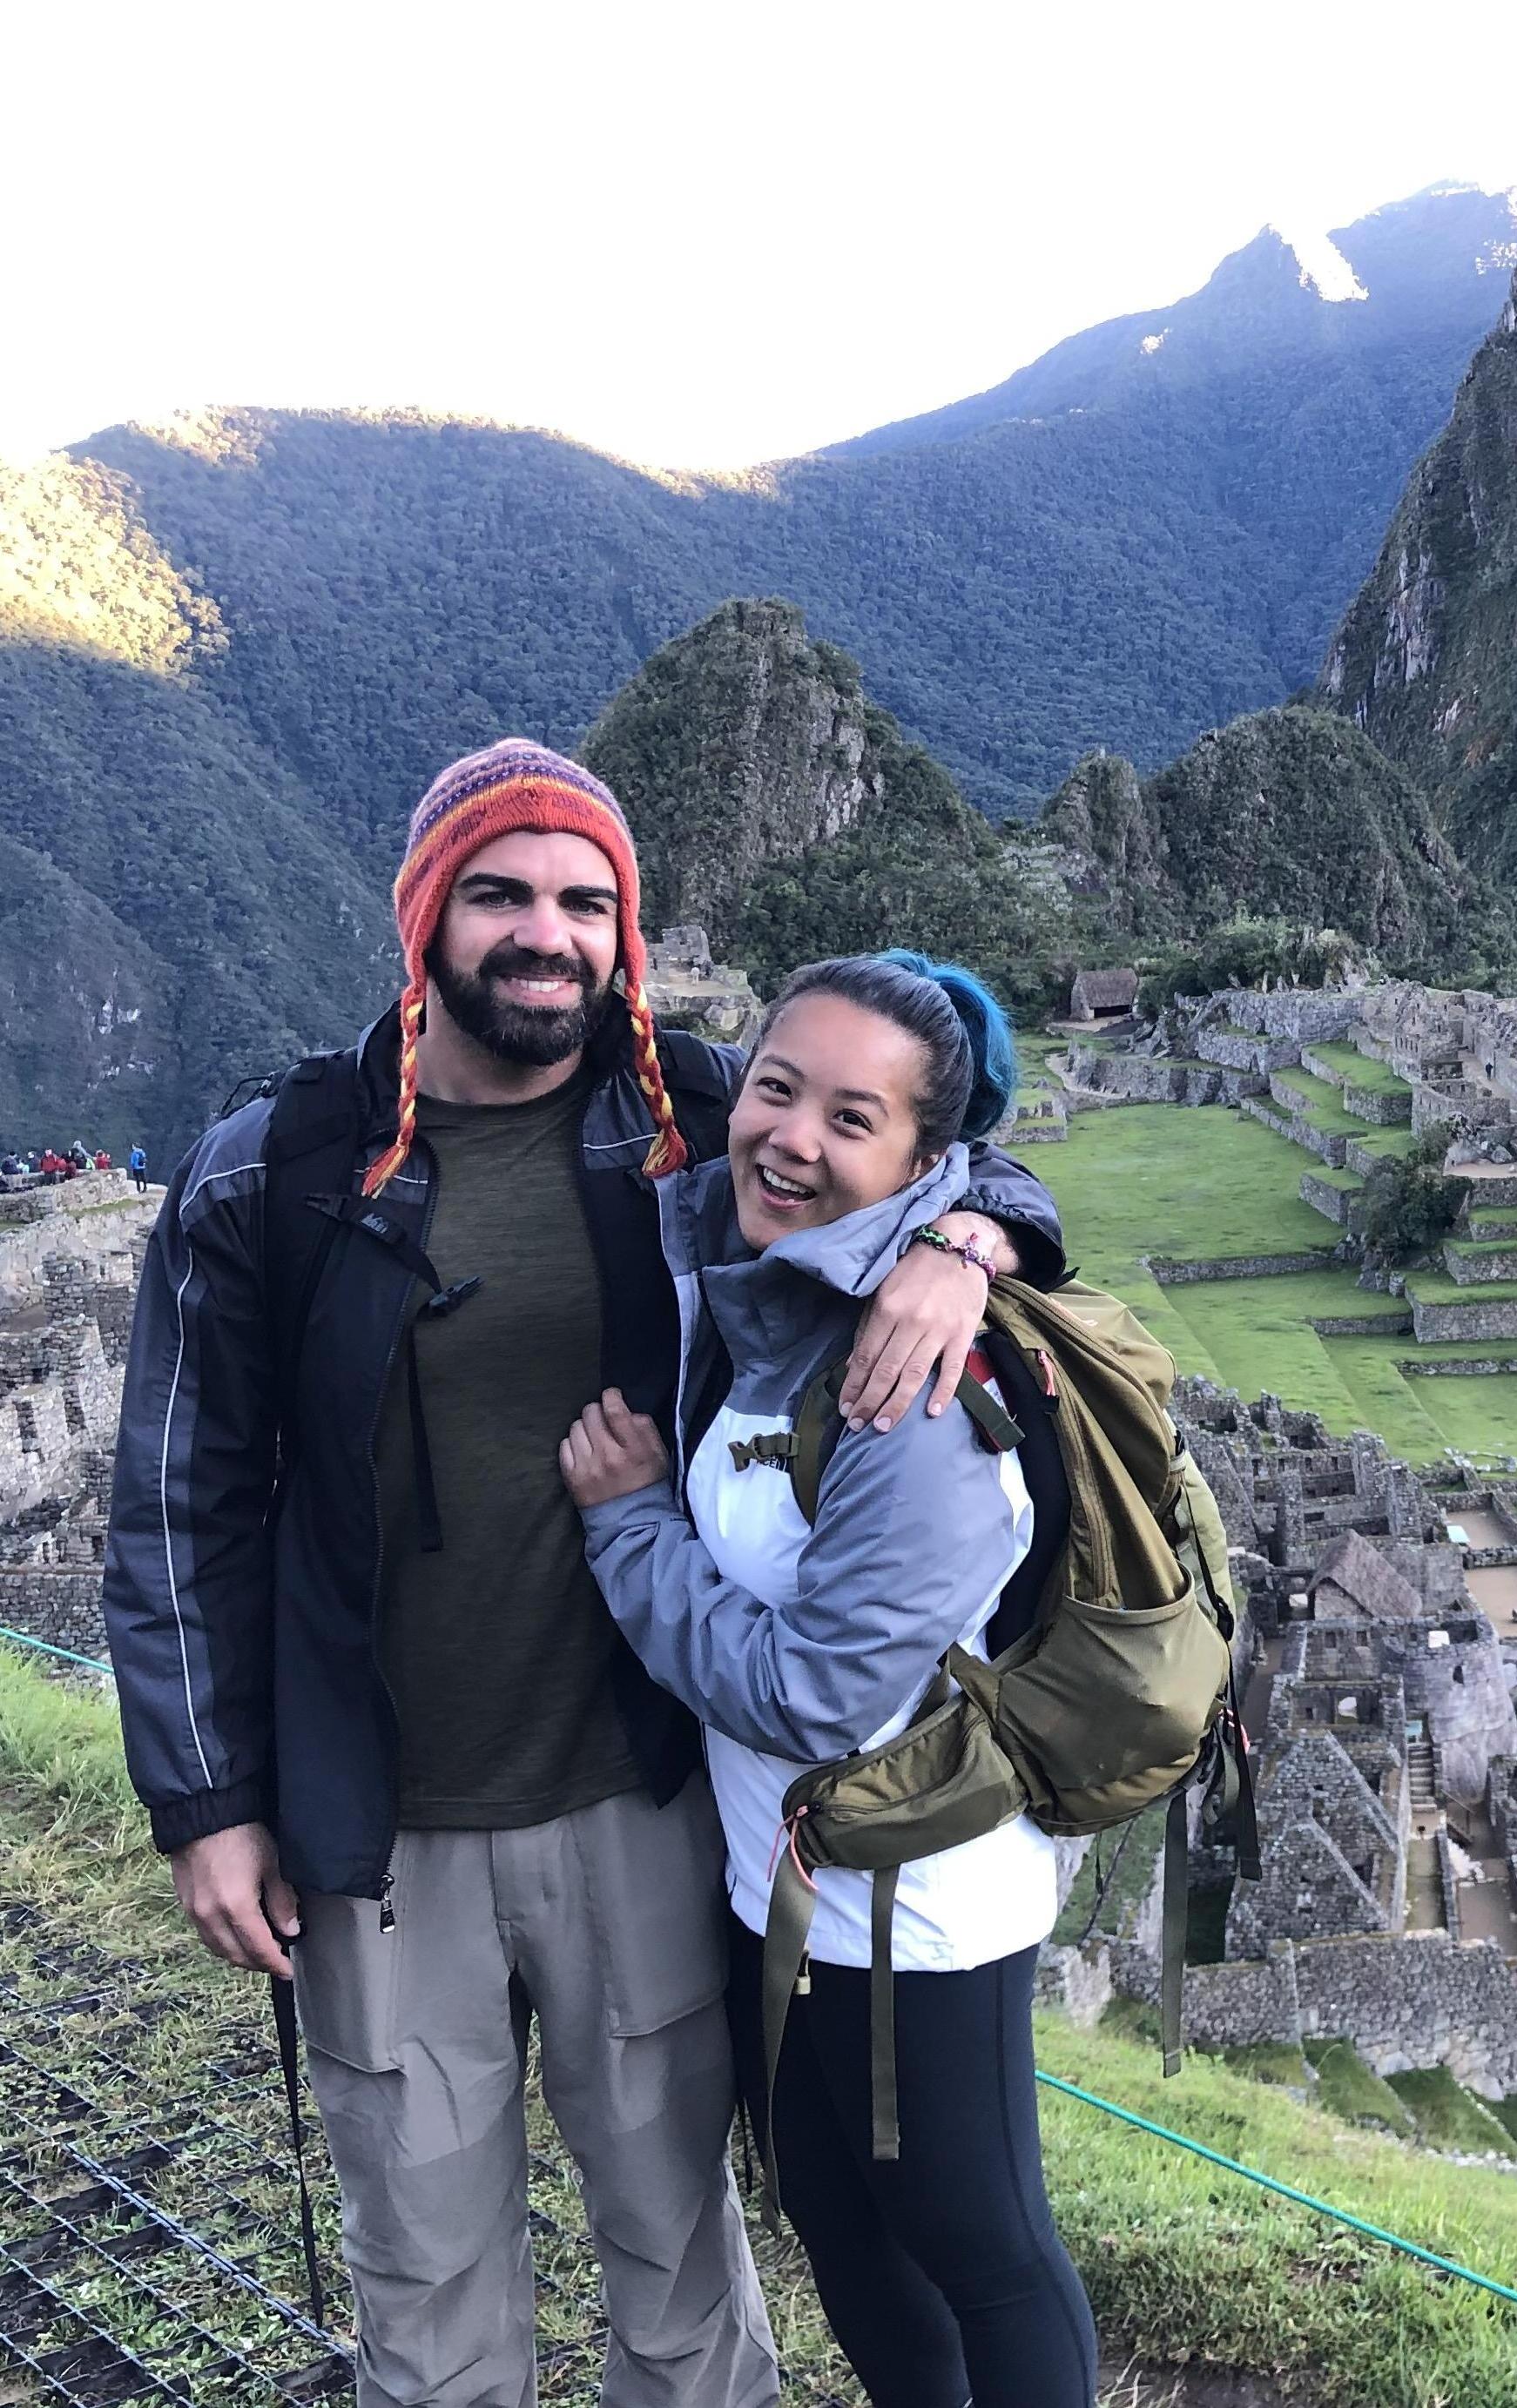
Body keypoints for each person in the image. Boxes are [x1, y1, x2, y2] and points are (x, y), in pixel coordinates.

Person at [102, 741, 1067, 2408]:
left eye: (586, 901)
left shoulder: (682, 1110)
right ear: (427, 916)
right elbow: (176, 1501)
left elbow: (926, 1125)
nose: (547, 934)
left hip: (637, 1791)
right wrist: (205, 1802)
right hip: (380, 1822)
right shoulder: (278, 1167)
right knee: (426, 2277)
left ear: (622, 934)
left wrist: (970, 1245)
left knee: (682, 2257)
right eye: (503, 894)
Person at [561, 952, 1097, 2408]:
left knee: (981, 2247)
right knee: (849, 2239)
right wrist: (975, 1227)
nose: (791, 1135)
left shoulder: (915, 1392)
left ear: (929, 1161)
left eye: (852, 1119)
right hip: (777, 1887)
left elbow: (816, 1699)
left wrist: (627, 1525)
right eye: (778, 1088)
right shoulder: (765, 1295)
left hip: (918, 1910)